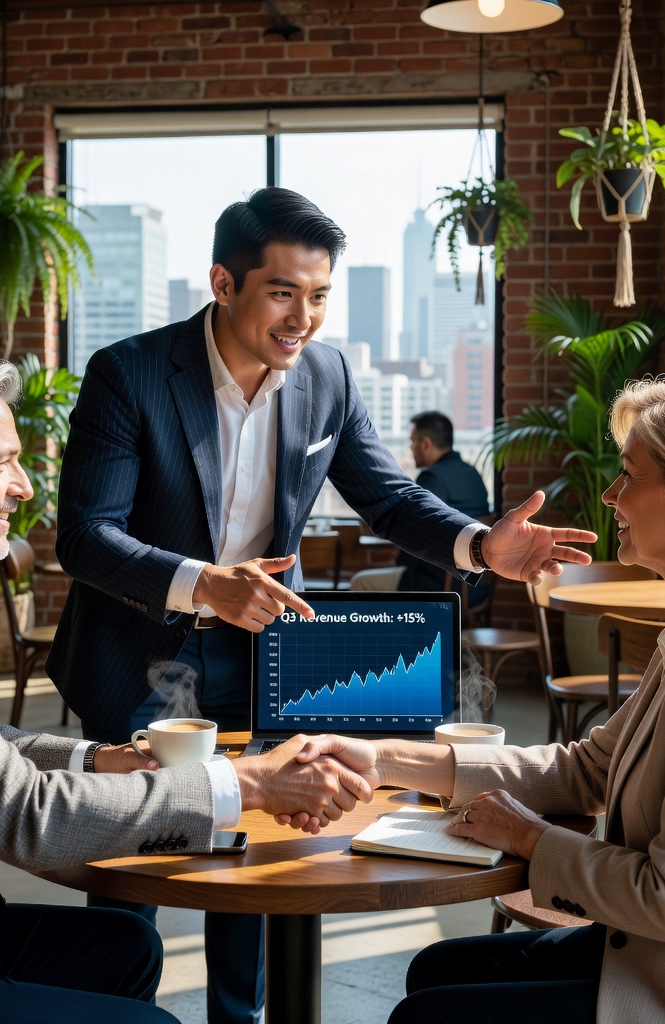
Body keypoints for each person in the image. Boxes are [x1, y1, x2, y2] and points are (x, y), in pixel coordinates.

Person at [47, 186, 595, 1024]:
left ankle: (244, 1018)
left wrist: (481, 545)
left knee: (264, 842)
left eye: (319, 295)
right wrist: (205, 582)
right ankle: (118, 1013)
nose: (303, 317)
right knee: (137, 856)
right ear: (224, 284)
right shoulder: (130, 373)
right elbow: (85, 537)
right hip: (143, 649)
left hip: (267, 650)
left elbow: (386, 498)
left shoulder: (328, 376)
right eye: (283, 292)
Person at [0, 352, 374, 1024]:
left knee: (125, 947)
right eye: (0, 461)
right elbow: (23, 816)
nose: (24, 488)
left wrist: (96, 758)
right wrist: (251, 784)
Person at [300, 370, 665, 1023]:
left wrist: (531, 839)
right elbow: (585, 770)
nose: (610, 493)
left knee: (427, 1014)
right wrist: (383, 760)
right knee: (437, 969)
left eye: (630, 475)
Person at [350, 409, 490, 595]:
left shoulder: (432, 477)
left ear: (425, 444)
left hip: (438, 583)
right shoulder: (472, 473)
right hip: (476, 587)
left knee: (360, 582)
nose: (411, 447)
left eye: (413, 441)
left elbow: (415, 530)